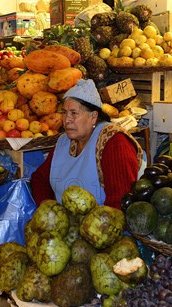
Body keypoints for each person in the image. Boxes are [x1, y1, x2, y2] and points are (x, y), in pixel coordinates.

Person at [30, 79, 144, 210]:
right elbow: (39, 179)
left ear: (93, 117)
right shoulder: (64, 141)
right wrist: (48, 207)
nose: (67, 120)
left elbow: (120, 203)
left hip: (103, 226)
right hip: (67, 227)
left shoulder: (114, 142)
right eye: (64, 113)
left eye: (74, 113)